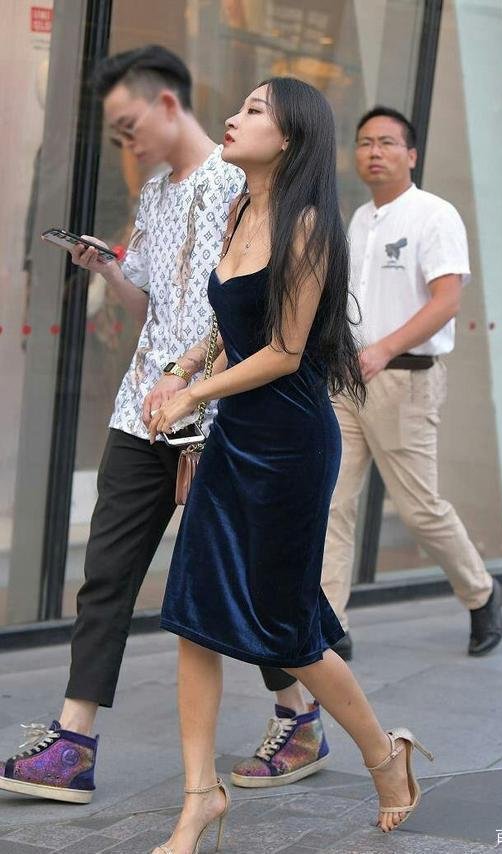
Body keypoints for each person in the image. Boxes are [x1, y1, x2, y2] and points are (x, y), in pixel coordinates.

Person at [146, 77, 433, 853]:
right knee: (193, 616)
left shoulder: (308, 227)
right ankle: (199, 797)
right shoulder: (243, 208)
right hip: (236, 437)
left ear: (291, 138)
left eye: (252, 112)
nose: (233, 119)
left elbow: (284, 351)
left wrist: (188, 396)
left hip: (290, 449)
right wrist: (180, 368)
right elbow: (231, 320)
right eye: (238, 108)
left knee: (288, 632)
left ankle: (385, 755)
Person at [229, 105, 502, 790]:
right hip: (346, 381)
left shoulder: (434, 215)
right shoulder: (356, 219)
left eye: (387, 143)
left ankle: (481, 593)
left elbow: (446, 301)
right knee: (334, 507)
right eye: (364, 144)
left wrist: (383, 347)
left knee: (419, 508)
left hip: (405, 381)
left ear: (411, 154)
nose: (374, 152)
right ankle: (332, 628)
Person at [0, 45, 243, 804]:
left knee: (238, 582)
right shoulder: (159, 193)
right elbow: (154, 310)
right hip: (141, 412)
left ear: (168, 104)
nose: (126, 143)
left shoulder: (239, 186)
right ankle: (74, 743)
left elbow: (250, 313)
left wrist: (205, 404)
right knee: (105, 575)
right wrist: (107, 266)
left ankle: (302, 711)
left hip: (213, 414)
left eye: (129, 125)